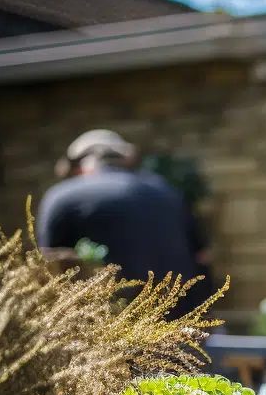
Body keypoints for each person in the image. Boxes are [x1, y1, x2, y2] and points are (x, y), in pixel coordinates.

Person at [37, 130, 215, 316]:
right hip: (186, 323)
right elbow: (202, 256)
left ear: (78, 168)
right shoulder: (168, 192)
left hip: (114, 329)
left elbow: (50, 269)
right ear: (127, 161)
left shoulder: (63, 196)